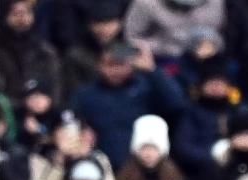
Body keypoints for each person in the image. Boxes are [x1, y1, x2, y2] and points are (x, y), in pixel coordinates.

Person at [70, 40, 188, 168]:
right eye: (110, 64)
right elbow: (72, 121)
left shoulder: (146, 87)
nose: (115, 70)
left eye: (120, 64)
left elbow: (176, 104)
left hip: (141, 165)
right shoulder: (86, 94)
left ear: (131, 63)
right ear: (99, 65)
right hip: (100, 164)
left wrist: (152, 70)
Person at [172, 56, 245, 179]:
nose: (216, 86)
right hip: (201, 172)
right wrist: (213, 157)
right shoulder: (191, 112)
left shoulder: (238, 111)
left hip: (236, 170)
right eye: (211, 82)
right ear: (201, 86)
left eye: (221, 82)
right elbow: (183, 147)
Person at [0, 0, 63, 110]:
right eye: (16, 14)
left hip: (44, 111)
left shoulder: (45, 51)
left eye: (27, 13)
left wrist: (46, 101)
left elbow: (56, 86)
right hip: (8, 113)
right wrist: (22, 104)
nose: (22, 19)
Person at [123, 0, 226, 63]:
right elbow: (130, 39)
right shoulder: (145, 3)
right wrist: (166, 47)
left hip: (202, 58)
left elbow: (220, 29)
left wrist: (212, 42)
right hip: (159, 57)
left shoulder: (215, 2)